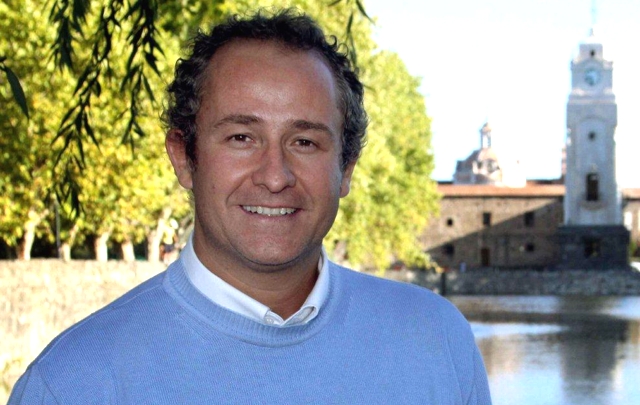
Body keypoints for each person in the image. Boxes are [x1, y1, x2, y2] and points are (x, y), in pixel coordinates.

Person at [8, 9, 492, 404]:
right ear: (184, 158)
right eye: (241, 137)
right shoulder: (73, 384)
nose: (275, 176)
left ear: (345, 168)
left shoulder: (437, 341)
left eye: (304, 142)